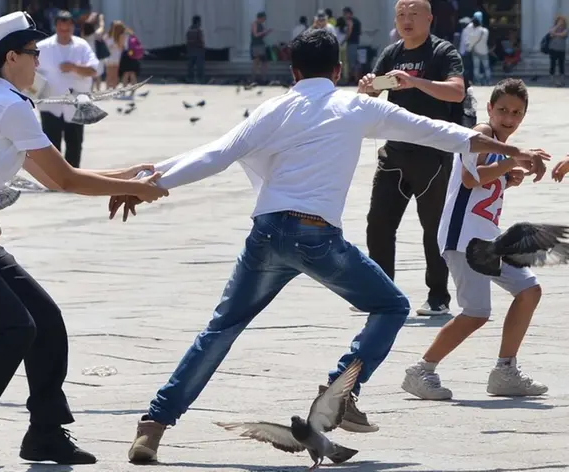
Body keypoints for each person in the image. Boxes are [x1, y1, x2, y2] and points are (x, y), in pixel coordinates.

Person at [119, 29, 548, 463]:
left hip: (266, 233)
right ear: (339, 70)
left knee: (219, 330)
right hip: (316, 237)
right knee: (392, 306)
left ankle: (152, 427)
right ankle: (340, 391)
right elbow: (442, 132)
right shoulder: (355, 106)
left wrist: (149, 183)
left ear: (294, 70)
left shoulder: (274, 108)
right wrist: (511, 151)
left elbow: (215, 153)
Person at [0, 11, 167, 471]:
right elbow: (66, 179)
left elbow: (51, 177)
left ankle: (45, 433)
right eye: (33, 53)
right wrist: (136, 187)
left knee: (45, 322)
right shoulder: (10, 104)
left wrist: (127, 176)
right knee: (14, 329)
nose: (39, 60)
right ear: (10, 58)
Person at [402, 79, 550, 400]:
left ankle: (505, 371)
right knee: (476, 312)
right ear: (489, 109)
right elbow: (470, 179)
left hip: (487, 240)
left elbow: (481, 189)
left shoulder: (499, 146)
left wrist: (507, 179)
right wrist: (511, 162)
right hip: (464, 239)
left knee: (528, 290)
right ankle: (422, 370)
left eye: (516, 112)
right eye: (503, 110)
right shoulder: (483, 134)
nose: (509, 117)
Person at [359, 0, 467, 317]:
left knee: (433, 229)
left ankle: (438, 296)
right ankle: (381, 293)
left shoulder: (442, 52)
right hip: (394, 152)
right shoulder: (392, 53)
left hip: (432, 155)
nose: (406, 20)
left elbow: (456, 91)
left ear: (429, 18)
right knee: (378, 224)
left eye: (413, 14)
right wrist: (368, 87)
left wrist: (415, 82)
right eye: (401, 15)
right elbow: (370, 93)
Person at [37, 10, 100, 169]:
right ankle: (54, 178)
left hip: (76, 103)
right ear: (56, 27)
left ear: (73, 28)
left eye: (68, 29)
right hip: (50, 103)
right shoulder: (42, 47)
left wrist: (74, 67)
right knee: (51, 144)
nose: (64, 33)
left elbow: (94, 70)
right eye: (61, 29)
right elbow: (30, 72)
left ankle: (74, 177)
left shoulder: (82, 46)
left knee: (75, 141)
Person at [465, 17, 490, 86]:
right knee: (486, 67)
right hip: (484, 51)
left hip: (476, 52)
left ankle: (478, 82)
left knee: (476, 68)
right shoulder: (485, 30)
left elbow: (470, 42)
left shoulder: (474, 32)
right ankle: (488, 81)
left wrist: (468, 49)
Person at [547, 15, 567, 87]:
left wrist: (555, 34)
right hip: (553, 49)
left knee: (561, 65)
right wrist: (557, 26)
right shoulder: (553, 28)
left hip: (561, 50)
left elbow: (563, 34)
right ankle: (552, 80)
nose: (561, 22)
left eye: (562, 21)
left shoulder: (565, 29)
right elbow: (551, 33)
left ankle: (561, 80)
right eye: (559, 21)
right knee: (553, 64)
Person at [185, 15, 205, 84]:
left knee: (190, 65)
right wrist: (202, 47)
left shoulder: (189, 30)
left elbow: (187, 40)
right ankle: (200, 79)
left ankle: (190, 78)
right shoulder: (198, 30)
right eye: (200, 22)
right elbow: (200, 40)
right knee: (200, 66)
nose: (200, 23)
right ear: (198, 22)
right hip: (198, 50)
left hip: (191, 50)